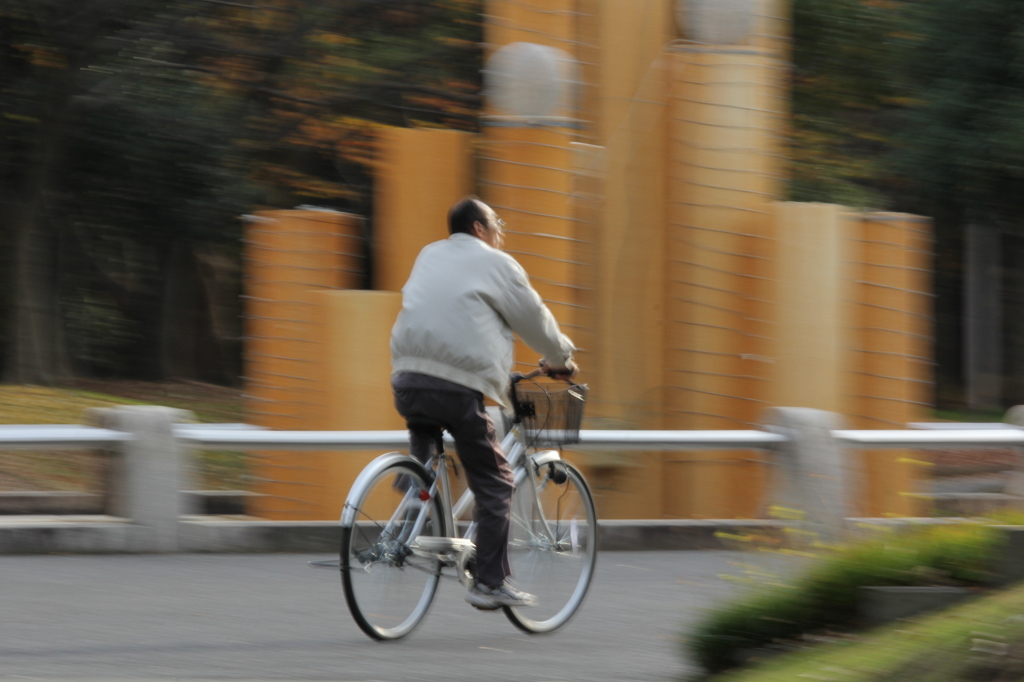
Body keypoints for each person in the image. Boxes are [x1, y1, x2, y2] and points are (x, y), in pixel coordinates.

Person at [390, 196, 578, 611]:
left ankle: (407, 522)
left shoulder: (429, 254)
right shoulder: (497, 263)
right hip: (456, 386)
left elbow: (447, 312)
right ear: (478, 228)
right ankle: (490, 583)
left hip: (406, 378)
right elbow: (533, 316)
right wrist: (561, 359)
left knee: (425, 449)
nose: (501, 232)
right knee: (497, 482)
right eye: (497, 222)